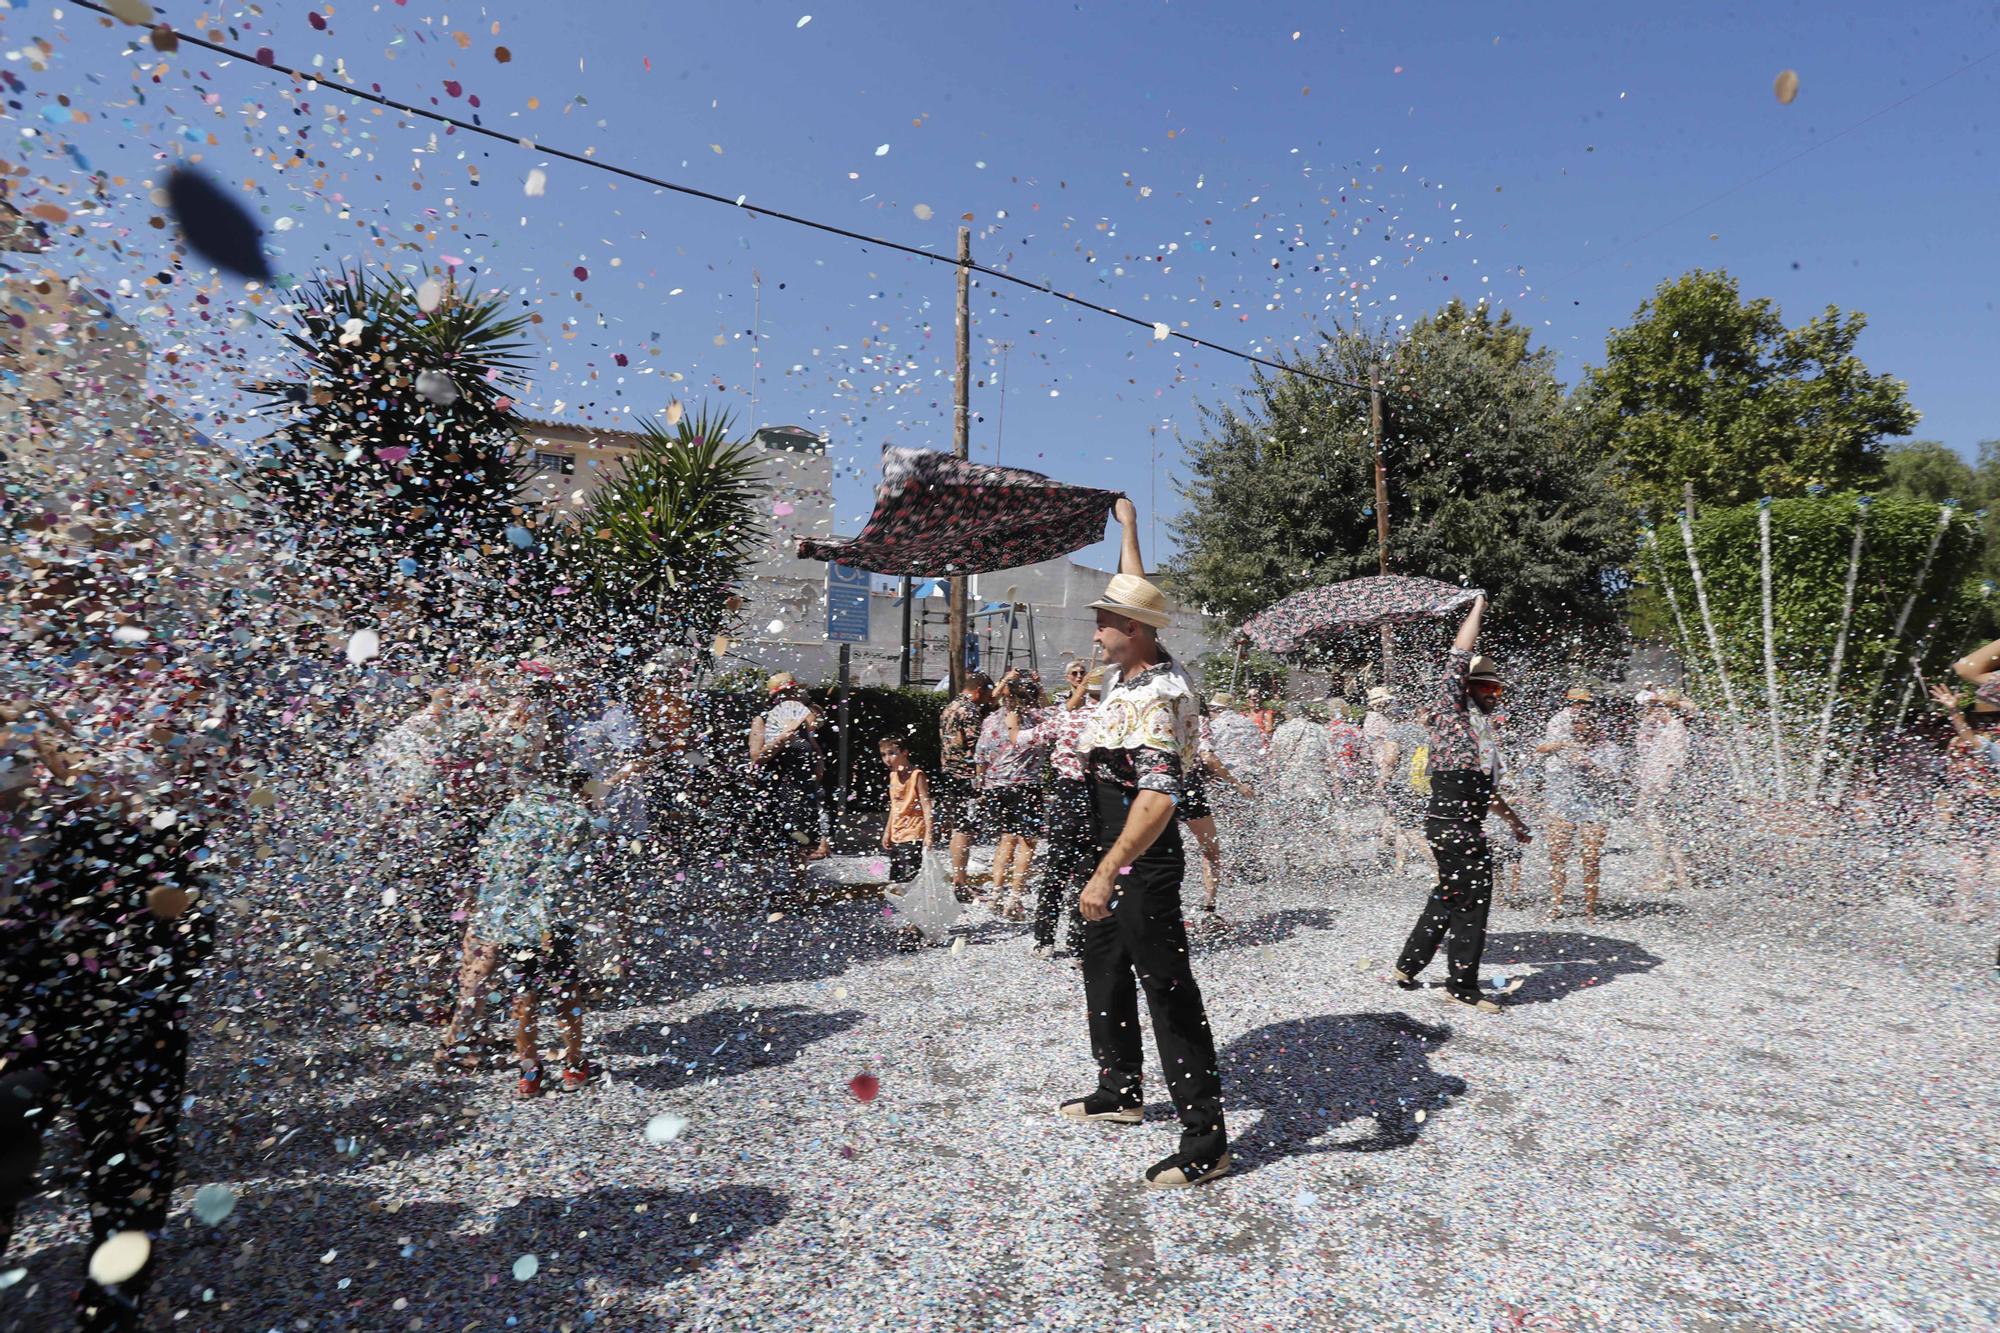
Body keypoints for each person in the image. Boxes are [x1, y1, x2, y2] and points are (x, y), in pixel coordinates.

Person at [1060, 497, 1228, 1189]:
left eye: (1103, 621)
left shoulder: (1159, 695)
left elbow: (1157, 799)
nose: (1094, 630)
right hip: (1108, 841)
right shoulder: (1130, 668)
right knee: (1102, 966)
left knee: (1167, 989)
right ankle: (1121, 1087)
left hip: (1139, 851)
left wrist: (1109, 870)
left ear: (1130, 630)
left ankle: (1206, 1137)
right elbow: (1139, 597)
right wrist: (1129, 530)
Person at [1390, 595, 1532, 1013]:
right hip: (1452, 825)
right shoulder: (1452, 714)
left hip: (1462, 824)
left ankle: (1408, 965)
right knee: (1473, 901)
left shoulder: (1480, 735)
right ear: (1467, 688)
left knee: (1450, 894)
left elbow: (1485, 793)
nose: (1494, 694)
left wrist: (1515, 822)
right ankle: (1462, 985)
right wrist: (1477, 608)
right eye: (1487, 686)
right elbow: (1459, 653)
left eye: (1498, 688)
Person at [440, 735, 597, 1096]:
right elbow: (571, 873)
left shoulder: (516, 810)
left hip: (514, 919)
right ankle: (573, 1064)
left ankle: (530, 1071)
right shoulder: (577, 819)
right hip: (553, 920)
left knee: (523, 996)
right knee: (565, 993)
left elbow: (489, 860)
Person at [1031, 659, 1099, 958]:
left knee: (1058, 869)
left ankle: (1048, 939)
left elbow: (1031, 738)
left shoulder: (1067, 716)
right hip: (1092, 796)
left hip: (1072, 793)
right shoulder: (1110, 715)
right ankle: (1077, 940)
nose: (1079, 676)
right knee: (1085, 870)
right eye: (1075, 673)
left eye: (1083, 674)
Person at [974, 673, 1052, 920]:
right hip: (1026, 786)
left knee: (1005, 840)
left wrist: (983, 785)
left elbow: (980, 756)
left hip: (996, 786)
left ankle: (996, 894)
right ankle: (1015, 899)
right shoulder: (1036, 718)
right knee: (1026, 844)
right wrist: (1041, 689)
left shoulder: (991, 720)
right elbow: (1059, 713)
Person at [1536, 705, 1625, 920]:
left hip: (1596, 805)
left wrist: (1590, 765)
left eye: (1582, 724)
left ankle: (1590, 909)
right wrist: (1563, 746)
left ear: (1593, 725)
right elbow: (1539, 750)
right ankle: (1556, 904)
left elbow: (1615, 778)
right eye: (1574, 724)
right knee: (1557, 854)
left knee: (1591, 857)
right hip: (1563, 802)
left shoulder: (1609, 749)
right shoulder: (1565, 745)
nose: (1578, 728)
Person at [1929, 681, 2000, 924]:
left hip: (1980, 805)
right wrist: (1953, 711)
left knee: (1985, 861)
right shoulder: (1992, 747)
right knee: (1979, 860)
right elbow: (1970, 740)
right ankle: (1971, 910)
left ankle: (1975, 910)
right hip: (1982, 807)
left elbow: (1969, 740)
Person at [748, 673, 831, 878]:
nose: (792, 697)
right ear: (776, 698)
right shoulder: (763, 720)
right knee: (768, 844)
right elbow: (757, 758)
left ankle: (798, 890)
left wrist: (819, 761)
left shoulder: (801, 722)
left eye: (794, 692)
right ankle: (763, 889)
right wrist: (782, 738)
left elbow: (812, 746)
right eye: (787, 693)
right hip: (775, 790)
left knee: (801, 844)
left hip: (801, 790)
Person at [936, 671, 996, 898]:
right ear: (979, 690)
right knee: (964, 829)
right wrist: (981, 781)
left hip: (949, 774)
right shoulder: (970, 711)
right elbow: (977, 748)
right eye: (988, 693)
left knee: (957, 828)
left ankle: (959, 880)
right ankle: (960, 883)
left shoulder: (950, 707)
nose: (989, 699)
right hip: (966, 777)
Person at [1633, 687, 1698, 892]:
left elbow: (1675, 762)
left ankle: (1664, 876)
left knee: (1659, 834)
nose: (1653, 712)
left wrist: (1661, 789)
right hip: (1659, 788)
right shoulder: (1669, 729)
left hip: (1662, 790)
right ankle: (1680, 876)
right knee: (1670, 834)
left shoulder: (1675, 729)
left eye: (1657, 707)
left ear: (1666, 709)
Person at [878, 735, 934, 888]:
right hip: (898, 832)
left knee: (911, 877)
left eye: (892, 753)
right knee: (896, 878)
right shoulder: (893, 775)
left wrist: (929, 833)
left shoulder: (917, 775)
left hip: (913, 832)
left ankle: (915, 908)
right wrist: (887, 831)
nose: (887, 759)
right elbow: (894, 806)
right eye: (883, 755)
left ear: (904, 753)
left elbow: (926, 804)